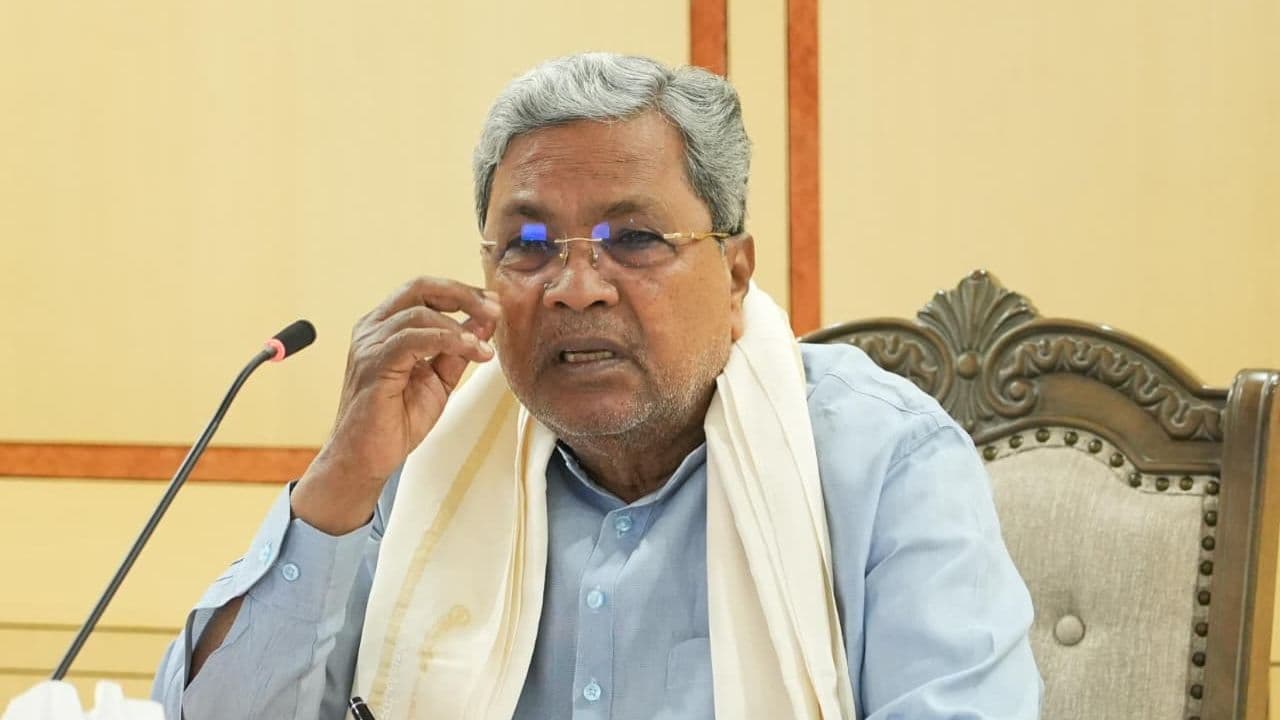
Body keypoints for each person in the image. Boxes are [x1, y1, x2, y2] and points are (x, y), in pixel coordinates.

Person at [151, 52, 1041, 720]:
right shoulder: (420, 462)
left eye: (635, 239)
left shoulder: (885, 462)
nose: (577, 288)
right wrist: (342, 481)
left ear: (735, 276)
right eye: (530, 247)